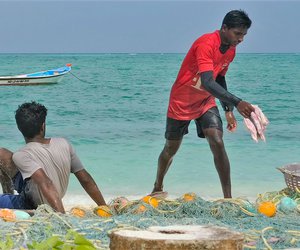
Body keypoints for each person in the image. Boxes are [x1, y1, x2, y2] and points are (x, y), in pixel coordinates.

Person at [151, 10, 255, 199]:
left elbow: (220, 78)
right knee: (170, 149)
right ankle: (157, 186)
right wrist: (238, 102)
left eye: (244, 35)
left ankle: (228, 199)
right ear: (224, 28)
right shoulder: (206, 43)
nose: (241, 39)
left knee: (217, 141)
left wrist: (228, 110)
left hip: (206, 101)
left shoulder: (231, 49)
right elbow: (207, 82)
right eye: (237, 34)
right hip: (181, 101)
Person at [0, 101, 106, 213]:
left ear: (19, 128)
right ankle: (9, 195)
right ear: (43, 126)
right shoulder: (64, 143)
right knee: (2, 153)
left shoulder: (21, 155)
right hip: (56, 198)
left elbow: (46, 183)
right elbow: (85, 179)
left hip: (34, 204)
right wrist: (103, 206)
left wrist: (61, 217)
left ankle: (12, 205)